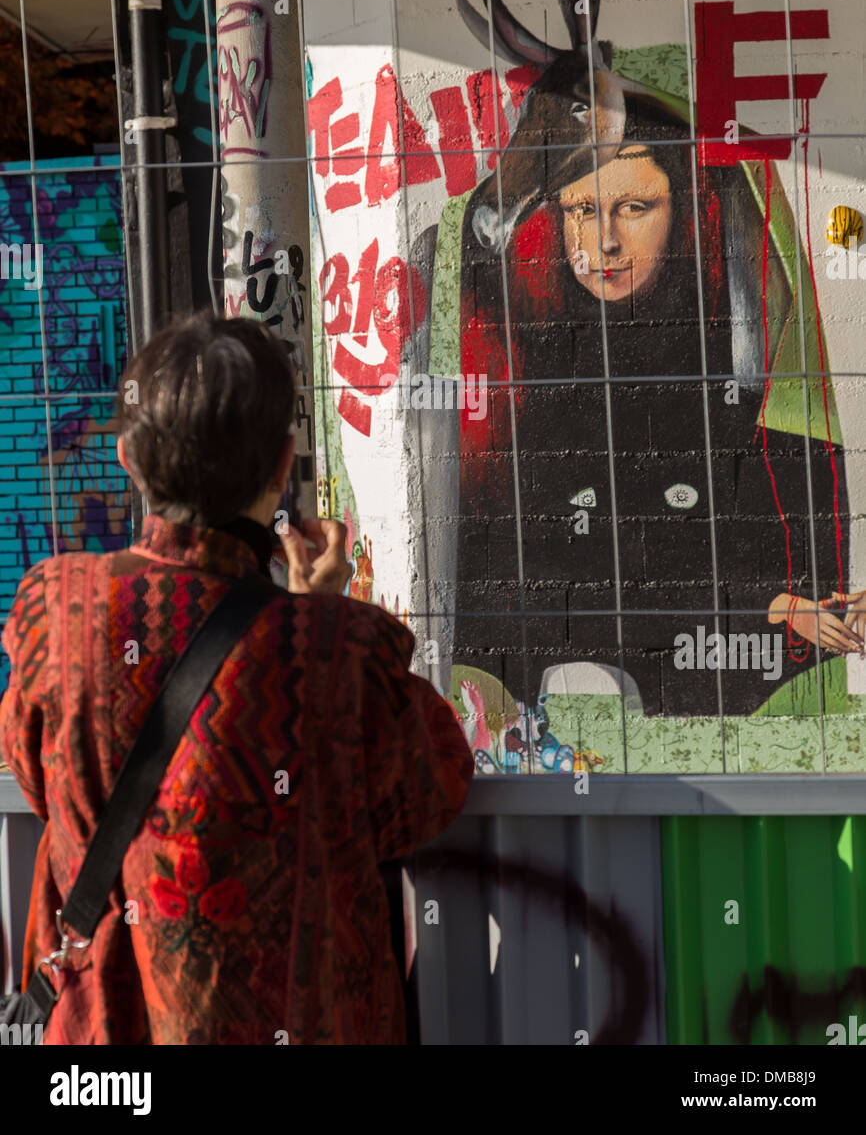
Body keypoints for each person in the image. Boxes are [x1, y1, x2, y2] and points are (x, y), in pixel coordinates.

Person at [0, 312, 474, 1044]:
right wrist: (316, 620)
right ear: (285, 463)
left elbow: (38, 776)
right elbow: (431, 786)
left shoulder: (58, 614)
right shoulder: (340, 649)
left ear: (127, 458)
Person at [452, 96, 859, 718]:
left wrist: (788, 607)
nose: (605, 241)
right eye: (582, 210)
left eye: (635, 208)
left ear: (685, 212)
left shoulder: (743, 383)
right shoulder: (530, 382)